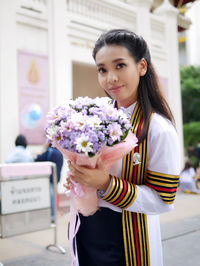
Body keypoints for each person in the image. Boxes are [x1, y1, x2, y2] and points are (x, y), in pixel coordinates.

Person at [64, 29, 180, 266]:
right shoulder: (92, 117)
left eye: (119, 66)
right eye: (102, 69)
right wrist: (80, 179)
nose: (110, 78)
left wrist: (105, 184)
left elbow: (163, 199)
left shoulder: (158, 128)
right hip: (88, 229)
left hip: (129, 240)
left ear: (142, 67)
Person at [35, 144, 63, 222]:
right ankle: (55, 214)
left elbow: (39, 158)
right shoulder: (59, 152)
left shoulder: (50, 151)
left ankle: (53, 216)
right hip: (56, 178)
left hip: (50, 179)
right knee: (54, 197)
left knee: (51, 198)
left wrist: (43, 148)